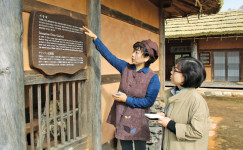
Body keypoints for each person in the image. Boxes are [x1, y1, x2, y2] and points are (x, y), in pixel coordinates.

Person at [80, 26, 160, 150]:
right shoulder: (125, 67)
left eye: (137, 52)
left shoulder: (153, 78)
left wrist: (126, 99)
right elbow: (110, 57)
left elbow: (149, 101)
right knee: (125, 147)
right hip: (122, 115)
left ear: (146, 57)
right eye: (133, 51)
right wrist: (96, 39)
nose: (132, 55)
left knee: (140, 147)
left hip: (139, 120)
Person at [157, 56, 210, 150]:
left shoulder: (196, 101)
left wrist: (170, 124)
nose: (171, 72)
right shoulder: (174, 95)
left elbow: (197, 131)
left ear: (187, 75)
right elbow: (180, 117)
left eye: (175, 70)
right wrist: (165, 116)